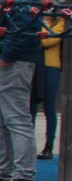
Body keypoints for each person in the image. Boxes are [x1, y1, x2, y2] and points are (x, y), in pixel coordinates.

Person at [0, 0, 47, 181]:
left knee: (15, 117)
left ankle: (24, 177)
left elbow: (26, 19)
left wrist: (6, 57)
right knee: (0, 118)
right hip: (4, 54)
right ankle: (4, 172)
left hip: (14, 57)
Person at [32, 16, 64, 160]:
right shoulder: (36, 20)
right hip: (35, 65)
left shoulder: (62, 23)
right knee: (31, 106)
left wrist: (41, 31)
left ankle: (49, 145)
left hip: (51, 67)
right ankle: (28, 145)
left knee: (49, 108)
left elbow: (47, 39)